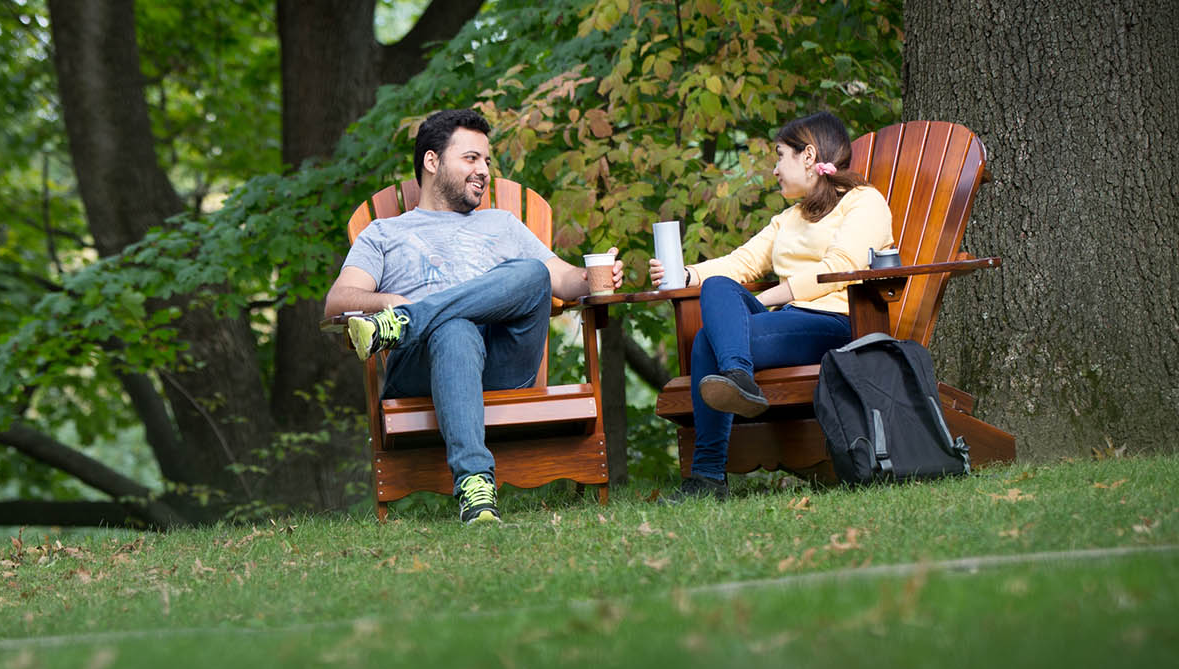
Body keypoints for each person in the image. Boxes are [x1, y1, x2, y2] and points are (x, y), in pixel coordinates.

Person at [324, 108, 623, 525]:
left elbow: (559, 280)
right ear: (432, 161)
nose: (483, 170)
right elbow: (339, 301)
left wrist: (594, 276)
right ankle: (475, 485)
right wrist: (392, 301)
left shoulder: (502, 224)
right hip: (421, 371)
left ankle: (410, 323)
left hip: (503, 364)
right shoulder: (384, 234)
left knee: (531, 271)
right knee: (455, 330)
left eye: (486, 161)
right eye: (470, 158)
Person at [649, 111, 894, 502]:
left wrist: (767, 300)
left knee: (705, 343)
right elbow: (740, 263)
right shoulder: (789, 219)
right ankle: (738, 378)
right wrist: (683, 274)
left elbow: (840, 268)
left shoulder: (865, 202)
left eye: (781, 156)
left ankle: (709, 476)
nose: (775, 169)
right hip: (785, 325)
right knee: (717, 286)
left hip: (836, 323)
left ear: (809, 156)